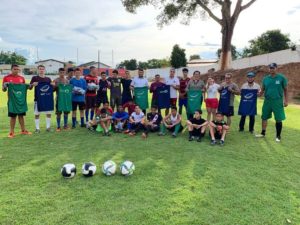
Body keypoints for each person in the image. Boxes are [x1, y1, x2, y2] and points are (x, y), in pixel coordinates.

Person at [255, 63, 288, 142]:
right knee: (264, 117)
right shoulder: (265, 79)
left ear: (276, 68)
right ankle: (263, 133)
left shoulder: (281, 78)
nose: (271, 69)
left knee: (278, 119)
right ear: (268, 69)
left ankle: (278, 136)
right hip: (267, 101)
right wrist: (258, 94)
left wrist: (286, 100)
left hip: (277, 101)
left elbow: (285, 90)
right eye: (270, 68)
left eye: (273, 68)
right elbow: (262, 90)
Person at [2, 64, 32, 138]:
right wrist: (5, 86)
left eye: (17, 69)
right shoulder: (6, 78)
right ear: (11, 69)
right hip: (12, 101)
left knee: (21, 116)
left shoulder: (21, 78)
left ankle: (23, 130)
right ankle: (11, 132)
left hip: (20, 101)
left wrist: (31, 85)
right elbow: (3, 89)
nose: (16, 70)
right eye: (15, 69)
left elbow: (27, 87)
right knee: (13, 117)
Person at [30, 65, 54, 133]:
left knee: (48, 113)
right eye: (40, 69)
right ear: (38, 70)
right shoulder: (35, 78)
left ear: (44, 70)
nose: (41, 70)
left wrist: (53, 85)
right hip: (38, 99)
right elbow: (30, 87)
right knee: (37, 114)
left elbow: (52, 88)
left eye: (42, 69)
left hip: (47, 99)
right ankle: (37, 129)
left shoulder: (48, 79)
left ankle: (48, 127)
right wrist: (32, 84)